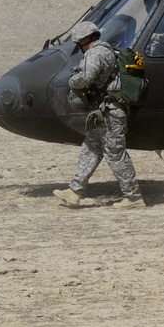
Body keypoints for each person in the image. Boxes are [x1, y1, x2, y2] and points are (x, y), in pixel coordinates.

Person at [53, 21, 145, 209]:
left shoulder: (96, 54)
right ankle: (74, 192)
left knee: (115, 153)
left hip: (111, 112)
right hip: (106, 111)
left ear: (84, 40)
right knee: (91, 147)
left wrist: (72, 80)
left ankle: (134, 197)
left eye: (78, 42)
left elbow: (85, 78)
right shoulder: (109, 50)